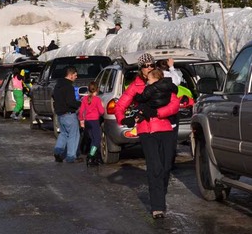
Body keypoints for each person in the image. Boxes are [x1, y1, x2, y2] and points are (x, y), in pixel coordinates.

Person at [115, 53, 180, 219]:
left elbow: (174, 104)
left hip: (165, 128)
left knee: (165, 166)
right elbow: (121, 104)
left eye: (151, 65)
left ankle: (160, 192)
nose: (149, 68)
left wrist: (157, 112)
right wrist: (123, 118)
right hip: (146, 131)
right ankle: (158, 207)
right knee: (154, 167)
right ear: (140, 69)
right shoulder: (135, 86)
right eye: (145, 66)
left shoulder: (163, 82)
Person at [52, 66, 82, 163]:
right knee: (74, 135)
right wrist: (80, 103)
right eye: (75, 75)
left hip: (60, 115)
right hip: (69, 114)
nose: (76, 77)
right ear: (70, 75)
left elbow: (53, 96)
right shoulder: (69, 87)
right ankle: (71, 156)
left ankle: (58, 151)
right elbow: (71, 102)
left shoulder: (58, 85)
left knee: (63, 134)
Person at [77, 80, 105, 166]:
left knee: (92, 139)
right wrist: (102, 106)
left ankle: (94, 158)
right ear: (97, 90)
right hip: (94, 122)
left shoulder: (85, 99)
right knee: (97, 140)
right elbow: (101, 112)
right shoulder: (97, 99)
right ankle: (91, 156)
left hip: (87, 121)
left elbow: (81, 111)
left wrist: (81, 120)